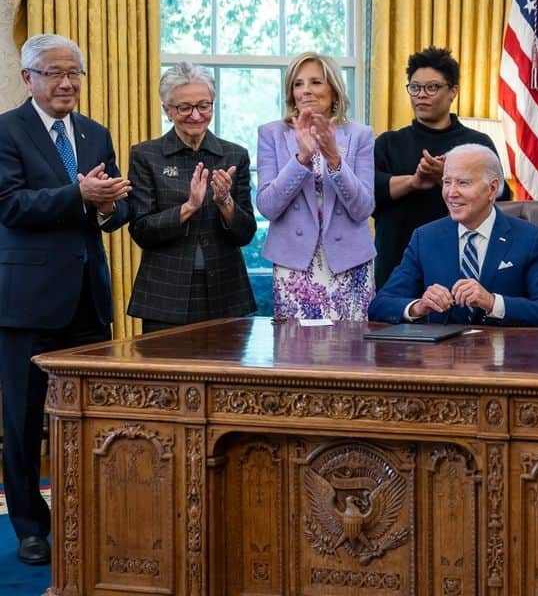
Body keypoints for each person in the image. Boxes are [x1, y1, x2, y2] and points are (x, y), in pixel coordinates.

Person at [0, 34, 131, 565]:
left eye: (74, 72)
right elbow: (10, 205)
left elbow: (119, 209)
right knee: (24, 419)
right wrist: (77, 194)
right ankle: (30, 526)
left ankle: (88, 514)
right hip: (26, 302)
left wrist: (104, 209)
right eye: (55, 72)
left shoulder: (96, 134)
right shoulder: (7, 131)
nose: (67, 82)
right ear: (29, 77)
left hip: (87, 300)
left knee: (86, 418)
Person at [369, 144, 538, 327]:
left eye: (463, 183)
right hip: (441, 359)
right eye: (447, 182)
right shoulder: (425, 237)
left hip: (505, 358)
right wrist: (418, 307)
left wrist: (492, 302)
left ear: (491, 189)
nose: (451, 193)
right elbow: (381, 305)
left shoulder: (529, 239)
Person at [127, 62, 256, 332]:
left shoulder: (234, 156)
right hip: (165, 295)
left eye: (203, 105)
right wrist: (188, 208)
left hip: (226, 292)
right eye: (184, 107)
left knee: (228, 374)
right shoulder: (146, 155)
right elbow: (141, 230)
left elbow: (245, 234)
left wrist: (225, 203)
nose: (195, 115)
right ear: (167, 110)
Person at [373, 47, 506, 289]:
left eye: (432, 87)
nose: (421, 95)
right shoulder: (388, 143)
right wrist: (414, 182)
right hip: (397, 262)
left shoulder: (477, 143)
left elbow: (501, 197)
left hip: (462, 264)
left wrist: (444, 177)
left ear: (453, 91)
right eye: (415, 87)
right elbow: (366, 195)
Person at [256, 52, 376, 320]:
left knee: (350, 355)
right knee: (296, 353)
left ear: (333, 90)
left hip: (349, 264)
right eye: (298, 84)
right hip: (295, 266)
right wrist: (302, 158)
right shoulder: (271, 134)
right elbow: (267, 206)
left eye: (315, 82)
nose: (305, 90)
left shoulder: (360, 135)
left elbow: (363, 208)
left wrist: (334, 158)